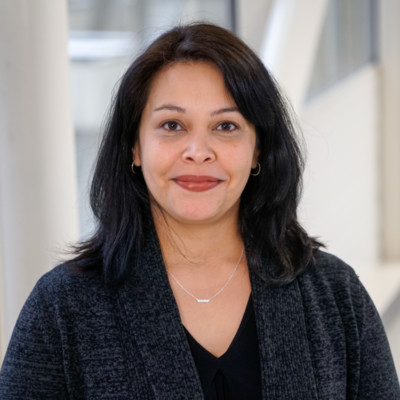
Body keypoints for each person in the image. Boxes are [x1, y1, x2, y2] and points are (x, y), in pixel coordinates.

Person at [0, 22, 399, 400]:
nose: (198, 152)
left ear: (257, 150)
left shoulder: (336, 295)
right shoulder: (61, 308)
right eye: (172, 125)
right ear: (135, 147)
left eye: (226, 127)